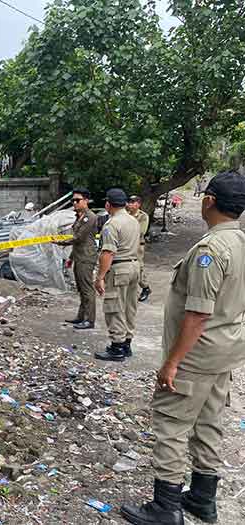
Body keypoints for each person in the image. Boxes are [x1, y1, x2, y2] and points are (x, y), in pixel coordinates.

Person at [121, 171, 245, 525]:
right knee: (208, 423)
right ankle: (203, 499)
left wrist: (171, 363)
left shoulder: (210, 250)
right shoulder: (240, 243)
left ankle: (166, 507)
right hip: (224, 353)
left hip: (196, 354)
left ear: (209, 202)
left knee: (171, 425)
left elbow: (197, 315)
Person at [93, 188, 141, 362]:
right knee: (129, 307)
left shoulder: (112, 224)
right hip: (134, 266)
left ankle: (117, 347)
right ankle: (127, 343)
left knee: (115, 308)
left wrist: (99, 277)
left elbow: (108, 253)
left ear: (108, 204)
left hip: (119, 268)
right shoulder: (133, 220)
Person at [55, 188, 97, 329]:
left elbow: (79, 238)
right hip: (79, 256)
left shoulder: (90, 217)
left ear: (86, 201)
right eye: (73, 200)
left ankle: (89, 320)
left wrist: (59, 241)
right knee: (81, 289)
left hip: (86, 257)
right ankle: (81, 317)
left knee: (87, 289)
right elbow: (78, 242)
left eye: (77, 200)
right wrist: (71, 258)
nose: (74, 203)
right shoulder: (79, 216)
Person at [127, 195, 152, 302]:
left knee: (138, 267)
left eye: (133, 202)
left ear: (138, 204)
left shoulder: (143, 216)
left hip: (137, 246)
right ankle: (131, 291)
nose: (130, 204)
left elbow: (141, 231)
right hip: (126, 245)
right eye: (129, 202)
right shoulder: (125, 214)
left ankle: (145, 287)